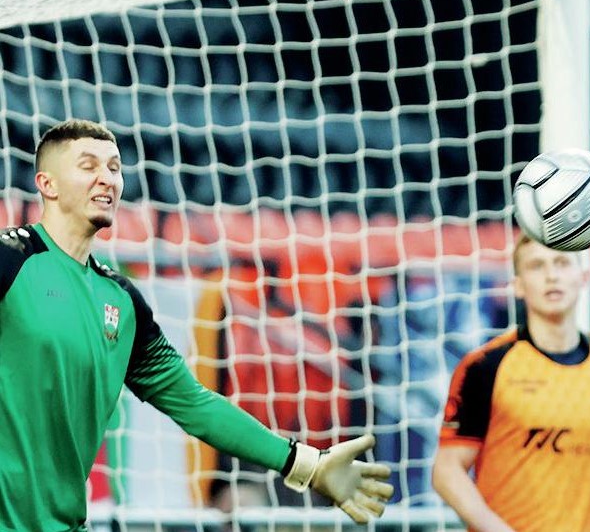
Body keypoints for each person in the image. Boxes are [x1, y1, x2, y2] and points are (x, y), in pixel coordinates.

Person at [0, 119, 393, 530]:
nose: (107, 179)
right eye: (88, 166)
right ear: (47, 184)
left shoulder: (120, 299)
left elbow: (196, 404)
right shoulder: (11, 260)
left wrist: (308, 464)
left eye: (114, 168)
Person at [433, 235, 590, 532]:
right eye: (537, 266)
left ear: (584, 277)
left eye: (562, 263)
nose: (551, 275)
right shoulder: (486, 366)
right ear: (518, 285)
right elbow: (447, 470)